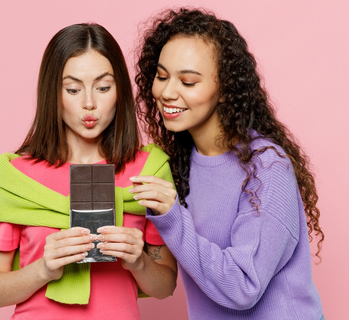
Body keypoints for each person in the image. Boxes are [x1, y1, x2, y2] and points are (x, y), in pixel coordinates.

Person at [130, 8, 325, 320]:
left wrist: (172, 217)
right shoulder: (178, 165)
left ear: (224, 90)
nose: (167, 92)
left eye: (188, 82)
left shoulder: (266, 168)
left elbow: (243, 286)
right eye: (162, 76)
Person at [0, 23, 177, 320]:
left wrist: (139, 262)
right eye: (72, 89)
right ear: (53, 93)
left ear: (120, 89)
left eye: (103, 87)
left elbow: (165, 285)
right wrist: (44, 268)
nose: (89, 104)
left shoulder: (148, 170)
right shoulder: (17, 178)